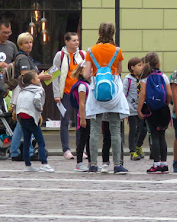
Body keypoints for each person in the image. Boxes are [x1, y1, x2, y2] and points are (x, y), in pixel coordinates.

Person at [83, 22, 129, 175]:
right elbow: (119, 72)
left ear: (99, 33)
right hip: (113, 92)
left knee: (94, 130)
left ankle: (93, 164)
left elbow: (86, 75)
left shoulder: (91, 50)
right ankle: (117, 164)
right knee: (115, 129)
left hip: (96, 91)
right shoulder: (117, 51)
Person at [9, 33, 52, 160]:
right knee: (25, 121)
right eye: (26, 42)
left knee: (22, 123)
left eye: (31, 42)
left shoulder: (26, 58)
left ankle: (18, 151)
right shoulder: (22, 58)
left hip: (26, 93)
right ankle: (19, 151)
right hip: (25, 94)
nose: (29, 45)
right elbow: (25, 77)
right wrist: (41, 77)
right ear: (20, 44)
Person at [52, 32, 86, 160]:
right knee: (65, 121)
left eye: (77, 40)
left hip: (80, 92)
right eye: (73, 40)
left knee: (80, 120)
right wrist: (56, 94)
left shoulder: (82, 55)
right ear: (66, 42)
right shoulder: (60, 56)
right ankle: (66, 149)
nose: (76, 43)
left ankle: (80, 148)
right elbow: (54, 75)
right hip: (65, 93)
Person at [138, 51, 173, 174]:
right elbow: (169, 93)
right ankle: (164, 164)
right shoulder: (163, 76)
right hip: (163, 110)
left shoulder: (145, 78)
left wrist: (139, 109)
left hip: (151, 110)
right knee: (162, 136)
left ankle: (156, 164)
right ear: (158, 63)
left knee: (154, 135)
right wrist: (165, 103)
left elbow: (143, 94)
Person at [15, 70, 54, 173]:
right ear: (33, 81)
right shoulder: (38, 90)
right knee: (40, 141)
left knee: (27, 142)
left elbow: (17, 102)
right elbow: (37, 99)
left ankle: (27, 165)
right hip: (32, 117)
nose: (39, 79)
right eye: (37, 78)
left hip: (22, 117)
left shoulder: (22, 90)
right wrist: (39, 108)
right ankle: (44, 163)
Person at [124, 57, 147, 161]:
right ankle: (132, 151)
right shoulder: (128, 80)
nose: (142, 67)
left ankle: (138, 146)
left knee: (143, 129)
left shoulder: (142, 79)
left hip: (141, 108)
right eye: (139, 65)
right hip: (131, 110)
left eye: (142, 65)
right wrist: (124, 109)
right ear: (132, 67)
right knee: (133, 130)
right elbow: (124, 94)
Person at [69, 64, 91, 172]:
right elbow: (81, 103)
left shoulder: (91, 84)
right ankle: (79, 162)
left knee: (90, 140)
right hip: (84, 116)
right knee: (83, 139)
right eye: (88, 70)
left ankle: (91, 162)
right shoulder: (82, 86)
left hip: (91, 115)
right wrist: (82, 118)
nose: (91, 71)